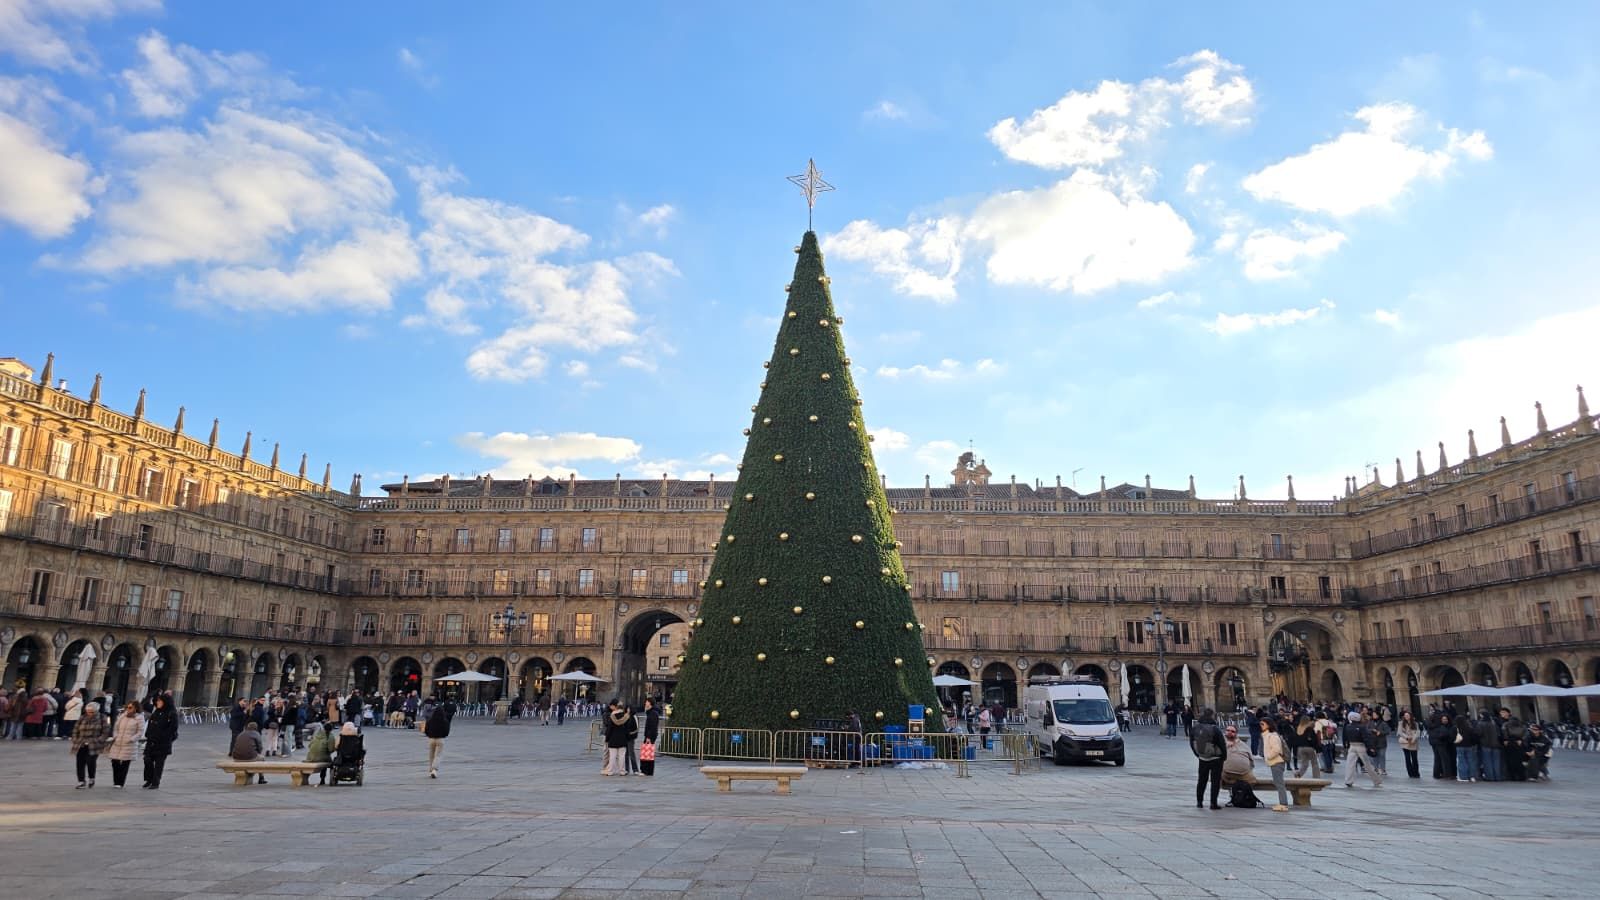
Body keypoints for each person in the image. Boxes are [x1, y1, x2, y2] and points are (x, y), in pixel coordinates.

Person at [1189, 707, 1225, 810]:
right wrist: (1223, 756)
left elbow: (1192, 743)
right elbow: (1222, 744)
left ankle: (1199, 802)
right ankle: (1213, 803)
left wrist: (1198, 754)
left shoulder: (1195, 728)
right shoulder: (1215, 728)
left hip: (1202, 758)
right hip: (1215, 759)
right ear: (1212, 715)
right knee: (1215, 781)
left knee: (1201, 780)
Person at [142, 694, 179, 789]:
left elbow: (173, 729)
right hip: (151, 741)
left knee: (159, 763)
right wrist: (148, 734)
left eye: (160, 701)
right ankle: (149, 779)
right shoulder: (156, 712)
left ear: (165, 702)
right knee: (147, 760)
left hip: (163, 743)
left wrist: (163, 737)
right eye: (157, 701)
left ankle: (155, 782)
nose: (157, 703)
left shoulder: (171, 713)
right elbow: (150, 724)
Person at [69, 701, 109, 788]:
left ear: (96, 711)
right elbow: (75, 729)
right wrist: (75, 739)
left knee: (91, 761)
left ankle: (91, 778)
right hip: (81, 743)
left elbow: (105, 732)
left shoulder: (102, 718)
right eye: (88, 711)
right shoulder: (82, 717)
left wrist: (99, 740)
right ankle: (81, 781)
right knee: (80, 762)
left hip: (94, 744)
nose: (89, 713)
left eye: (91, 712)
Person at [105, 701, 144, 789]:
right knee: (115, 761)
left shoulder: (139, 718)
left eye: (130, 708)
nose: (128, 709)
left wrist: (131, 739)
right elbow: (116, 727)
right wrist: (115, 736)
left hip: (129, 744)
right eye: (127, 707)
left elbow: (140, 731)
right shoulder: (122, 716)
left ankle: (120, 782)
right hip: (118, 742)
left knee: (125, 763)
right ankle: (116, 781)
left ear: (135, 708)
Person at [1342, 712, 1382, 789]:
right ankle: (1376, 780)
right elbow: (1366, 738)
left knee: (1350, 764)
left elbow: (1345, 737)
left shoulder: (1347, 726)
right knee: (1367, 764)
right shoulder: (1362, 727)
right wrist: (1370, 747)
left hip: (1352, 746)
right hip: (1360, 746)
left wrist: (1345, 746)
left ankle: (1348, 781)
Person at [1260, 719, 1290, 812]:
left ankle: (1283, 804)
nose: (1260, 725)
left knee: (1279, 783)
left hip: (1277, 761)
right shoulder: (1266, 735)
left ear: (1268, 725)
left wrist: (1268, 756)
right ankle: (1282, 803)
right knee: (1278, 783)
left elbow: (1276, 749)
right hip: (1274, 762)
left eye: (1262, 724)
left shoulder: (1272, 736)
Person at [602, 700, 636, 776]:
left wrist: (607, 738)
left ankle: (610, 771)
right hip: (623, 739)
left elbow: (609, 729)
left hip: (613, 739)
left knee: (612, 756)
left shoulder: (612, 716)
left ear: (616, 708)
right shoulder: (626, 716)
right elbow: (628, 728)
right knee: (622, 756)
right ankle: (622, 771)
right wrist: (627, 737)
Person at [423, 699, 452, 779]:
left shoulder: (430, 720)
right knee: (438, 755)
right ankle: (434, 770)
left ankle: (430, 770)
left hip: (431, 739)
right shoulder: (445, 721)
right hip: (440, 739)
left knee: (431, 755)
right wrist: (444, 735)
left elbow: (426, 729)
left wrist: (428, 735)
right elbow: (447, 731)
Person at [1428, 711, 1457, 779]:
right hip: (1442, 744)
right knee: (1444, 759)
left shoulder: (1431, 726)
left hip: (1435, 744)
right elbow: (1445, 734)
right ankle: (1447, 774)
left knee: (1437, 759)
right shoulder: (1439, 727)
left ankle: (1437, 774)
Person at [1501, 710, 1527, 782]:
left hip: (1510, 743)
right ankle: (1521, 776)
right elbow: (1525, 734)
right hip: (1519, 743)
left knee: (1510, 761)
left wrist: (1505, 740)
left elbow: (1504, 733)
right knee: (1519, 761)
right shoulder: (1522, 725)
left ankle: (1512, 776)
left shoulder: (1505, 724)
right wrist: (1521, 740)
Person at [1453, 712, 1480, 783]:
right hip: (1469, 746)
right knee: (1471, 761)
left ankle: (1464, 777)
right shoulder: (1469, 728)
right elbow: (1474, 736)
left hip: (1460, 746)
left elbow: (1452, 737)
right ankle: (1472, 776)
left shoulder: (1455, 728)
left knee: (1462, 761)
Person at [1476, 710, 1503, 782]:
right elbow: (1499, 734)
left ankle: (1490, 777)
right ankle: (1497, 777)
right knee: (1496, 762)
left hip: (1485, 744)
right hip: (1496, 745)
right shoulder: (1494, 724)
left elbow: (1478, 734)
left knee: (1487, 762)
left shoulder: (1480, 724)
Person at [1292, 713, 1321, 777]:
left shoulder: (1298, 728)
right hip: (1309, 748)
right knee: (1314, 763)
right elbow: (1314, 740)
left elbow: (1295, 740)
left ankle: (1298, 774)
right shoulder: (1309, 729)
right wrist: (1317, 749)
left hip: (1300, 748)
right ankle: (1316, 777)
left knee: (1304, 763)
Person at [1397, 711, 1422, 779]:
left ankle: (1416, 773)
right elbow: (1400, 732)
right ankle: (1410, 773)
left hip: (1413, 742)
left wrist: (1413, 738)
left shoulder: (1415, 723)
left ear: (1410, 716)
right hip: (1406, 742)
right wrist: (1407, 737)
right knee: (1407, 758)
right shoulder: (1401, 723)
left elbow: (1418, 732)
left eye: (1408, 715)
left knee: (1414, 758)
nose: (1406, 716)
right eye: (1405, 715)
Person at [640, 698, 660, 777]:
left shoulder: (653, 713)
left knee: (646, 753)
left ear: (650, 703)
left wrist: (648, 737)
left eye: (647, 702)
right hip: (650, 735)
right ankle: (648, 771)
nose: (645, 703)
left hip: (650, 736)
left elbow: (652, 726)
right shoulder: (650, 712)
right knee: (648, 753)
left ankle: (646, 770)